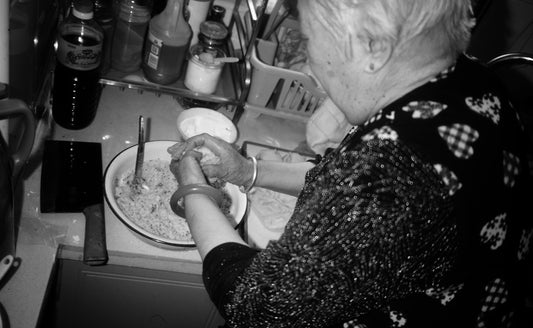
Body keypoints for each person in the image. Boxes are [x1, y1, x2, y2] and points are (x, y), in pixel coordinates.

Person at [167, 0, 533, 327]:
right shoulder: (470, 78)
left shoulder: (392, 175)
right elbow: (349, 181)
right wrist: (248, 171)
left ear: (372, 46)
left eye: (309, 40)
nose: (309, 66)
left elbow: (259, 308)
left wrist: (193, 189)